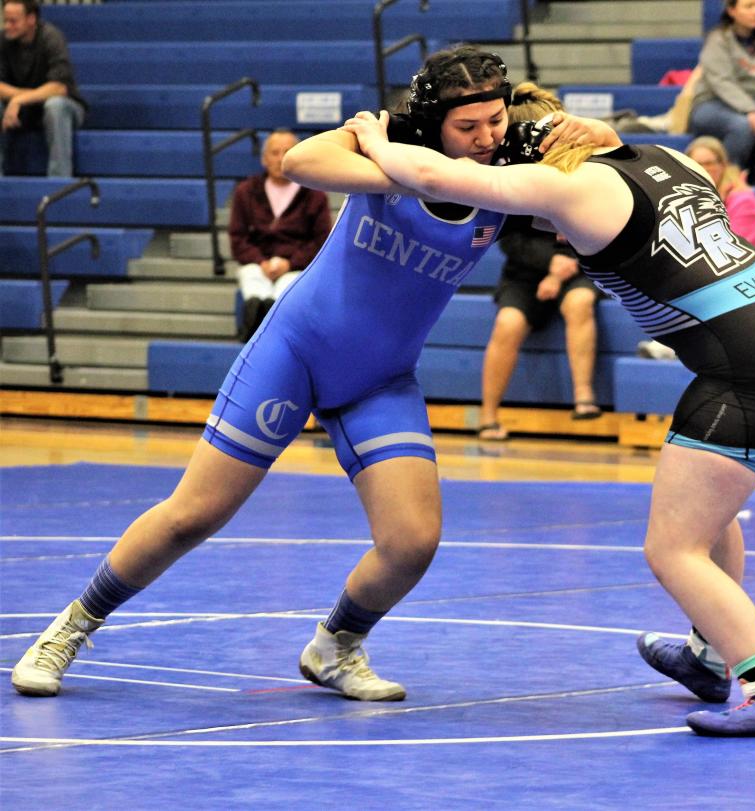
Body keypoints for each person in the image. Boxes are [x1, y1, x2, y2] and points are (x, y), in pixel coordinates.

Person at [10, 45, 616, 703]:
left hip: (381, 378)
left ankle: (336, 644)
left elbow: (611, 156)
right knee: (194, 514)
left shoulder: (505, 170)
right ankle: (72, 625)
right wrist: (399, 167)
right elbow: (302, 161)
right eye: (467, 128)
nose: (484, 139)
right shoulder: (384, 140)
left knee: (412, 541)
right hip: (296, 352)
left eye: (494, 123)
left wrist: (590, 134)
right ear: (432, 121)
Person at [344, 104, 755, 737]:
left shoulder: (566, 185)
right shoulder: (668, 158)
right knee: (702, 512)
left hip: (750, 364)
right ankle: (711, 655)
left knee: (672, 547)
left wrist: (375, 138)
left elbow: (433, 178)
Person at [478, 83, 601, 441]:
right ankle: (488, 415)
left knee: (580, 302)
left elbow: (589, 225)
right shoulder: (506, 174)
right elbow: (511, 239)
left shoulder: (576, 165)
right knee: (508, 322)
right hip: (526, 272)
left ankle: (583, 397)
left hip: (575, 266)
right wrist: (550, 267)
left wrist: (564, 264)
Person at [640, 135, 755, 361]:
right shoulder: (683, 197)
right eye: (696, 164)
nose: (704, 169)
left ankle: (681, 344)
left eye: (709, 163)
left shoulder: (742, 199)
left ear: (722, 166)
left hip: (752, 274)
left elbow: (738, 250)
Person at [229, 129, 332, 342]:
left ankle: (266, 324)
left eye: (287, 151)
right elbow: (238, 237)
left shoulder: (315, 194)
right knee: (252, 278)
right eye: (274, 152)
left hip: (296, 267)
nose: (280, 158)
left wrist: (290, 263)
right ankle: (255, 312)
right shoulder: (245, 191)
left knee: (287, 288)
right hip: (258, 264)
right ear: (264, 159)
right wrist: (260, 261)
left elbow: (321, 241)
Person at [689, 0, 755, 185]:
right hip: (713, 102)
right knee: (741, 127)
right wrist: (750, 110)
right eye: (749, 6)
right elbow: (721, 81)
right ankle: (725, 186)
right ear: (732, 11)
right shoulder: (717, 39)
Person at [0, 0, 85, 177]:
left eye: (13, 21)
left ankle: (58, 183)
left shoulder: (51, 37)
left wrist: (17, 99)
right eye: (5, 20)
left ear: (31, 19)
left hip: (65, 108)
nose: (8, 26)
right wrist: (27, 97)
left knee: (55, 106)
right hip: (24, 111)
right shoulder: (3, 40)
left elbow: (59, 88)